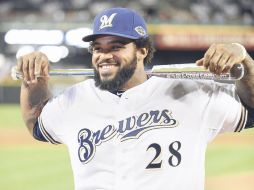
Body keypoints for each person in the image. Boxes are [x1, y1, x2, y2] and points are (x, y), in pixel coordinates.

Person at [17, 7, 254, 190]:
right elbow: (36, 122)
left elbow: (251, 109)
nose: (104, 55)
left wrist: (242, 58)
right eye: (98, 48)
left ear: (143, 51)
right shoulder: (75, 98)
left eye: (116, 46)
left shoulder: (190, 92)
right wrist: (33, 82)